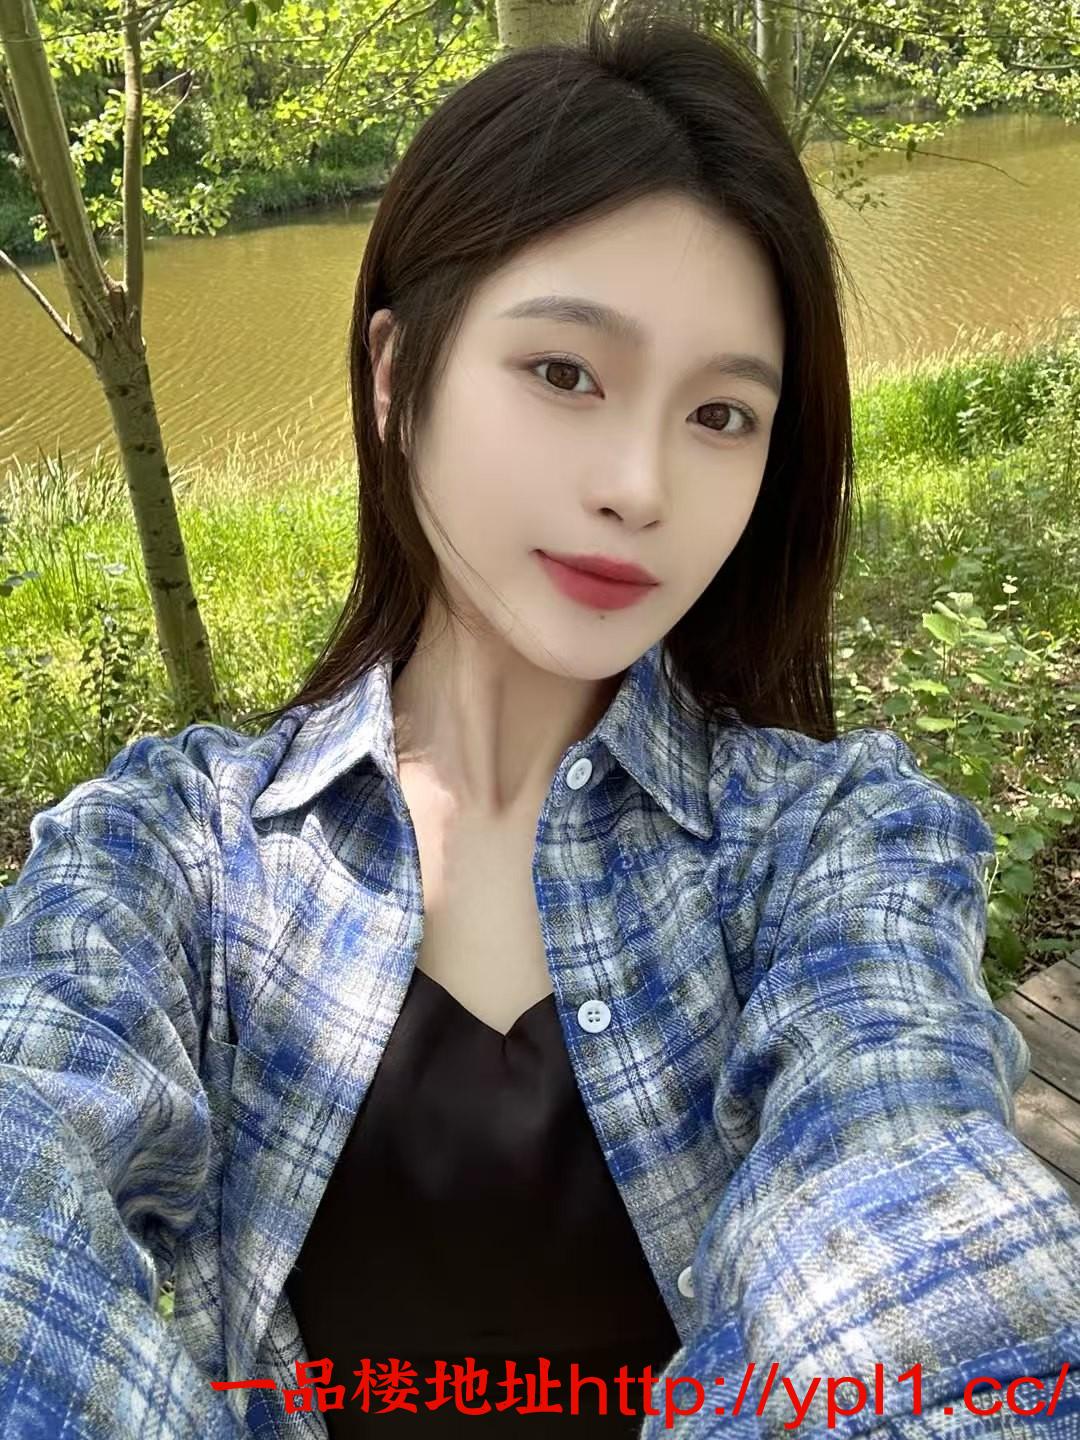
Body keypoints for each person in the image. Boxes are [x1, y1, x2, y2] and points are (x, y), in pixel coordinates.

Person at [2, 0, 1078, 1436]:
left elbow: (916, 1220)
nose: (640, 485)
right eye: (566, 373)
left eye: (722, 415)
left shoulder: (832, 851)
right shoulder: (173, 859)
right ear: (397, 376)